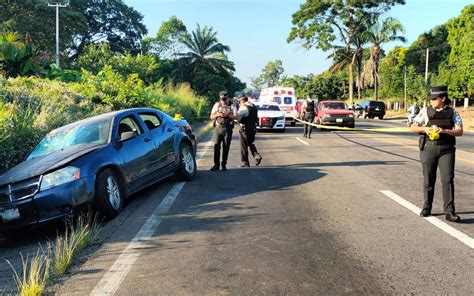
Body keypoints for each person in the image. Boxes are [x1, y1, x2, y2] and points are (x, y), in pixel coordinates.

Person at [410, 85, 464, 222]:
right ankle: (427, 207)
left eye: (435, 99)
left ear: (443, 98)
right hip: (429, 149)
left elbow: (460, 131)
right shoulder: (425, 111)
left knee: (447, 180)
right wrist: (426, 129)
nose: (432, 101)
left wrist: (445, 131)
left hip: (447, 150)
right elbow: (413, 127)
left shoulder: (453, 112)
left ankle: (450, 212)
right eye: (431, 99)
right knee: (428, 179)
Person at [210, 90, 238, 171]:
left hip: (228, 128)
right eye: (222, 99)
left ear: (228, 98)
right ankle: (216, 165)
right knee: (216, 147)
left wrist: (228, 115)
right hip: (218, 128)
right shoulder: (216, 105)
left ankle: (224, 165)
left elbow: (237, 117)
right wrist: (218, 114)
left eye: (225, 99)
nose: (223, 101)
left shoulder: (232, 105)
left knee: (226, 147)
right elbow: (211, 116)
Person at [237, 96, 262, 167]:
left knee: (243, 145)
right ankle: (256, 155)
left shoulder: (244, 107)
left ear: (242, 101)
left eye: (240, 102)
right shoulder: (253, 106)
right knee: (250, 143)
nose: (239, 104)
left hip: (245, 129)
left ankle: (245, 162)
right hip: (253, 128)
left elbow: (238, 117)